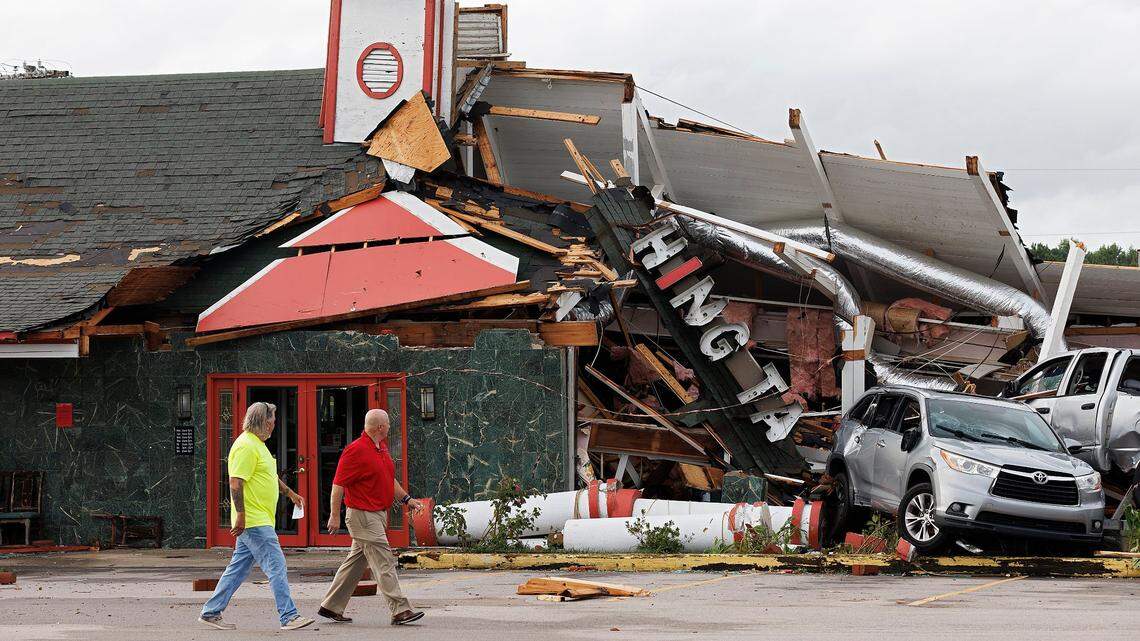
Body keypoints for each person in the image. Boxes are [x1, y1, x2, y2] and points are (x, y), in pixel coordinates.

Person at [199, 402, 314, 631]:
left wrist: (290, 493)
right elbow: (235, 482)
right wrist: (241, 514)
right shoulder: (245, 446)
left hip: (257, 518)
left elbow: (269, 476)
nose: (274, 424)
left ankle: (211, 612)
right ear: (263, 420)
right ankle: (289, 616)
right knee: (277, 565)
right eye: (272, 419)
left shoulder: (258, 445)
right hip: (253, 520)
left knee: (238, 569)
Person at [318, 408, 425, 626]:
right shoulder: (355, 451)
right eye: (387, 424)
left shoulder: (380, 448)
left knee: (355, 563)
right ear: (380, 427)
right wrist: (334, 516)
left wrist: (407, 499)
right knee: (384, 560)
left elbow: (389, 479)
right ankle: (400, 609)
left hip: (376, 514)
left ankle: (330, 606)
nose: (389, 427)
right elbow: (338, 486)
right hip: (362, 516)